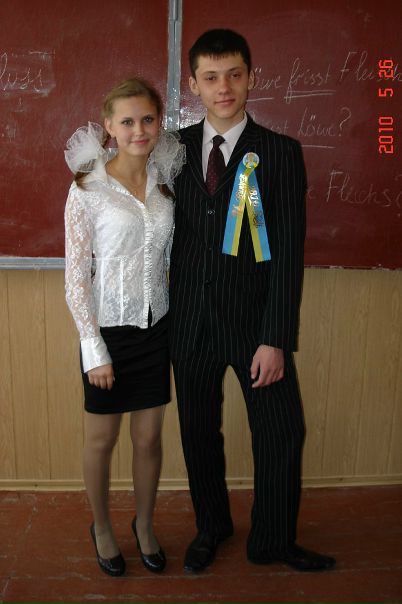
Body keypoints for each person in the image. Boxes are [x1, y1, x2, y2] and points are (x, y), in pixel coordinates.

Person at [169, 29, 336, 573]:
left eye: (235, 75)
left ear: (251, 78)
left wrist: (276, 337)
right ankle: (211, 527)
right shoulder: (169, 151)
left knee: (281, 431)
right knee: (198, 433)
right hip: (189, 323)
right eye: (211, 77)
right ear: (193, 83)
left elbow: (286, 252)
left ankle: (272, 540)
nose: (224, 87)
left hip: (255, 323)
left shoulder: (281, 153)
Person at [64, 77, 185, 577]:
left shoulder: (165, 186)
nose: (139, 130)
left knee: (149, 439)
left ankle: (145, 524)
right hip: (107, 332)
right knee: (101, 440)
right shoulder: (87, 190)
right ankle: (101, 527)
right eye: (128, 121)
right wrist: (93, 348)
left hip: (156, 327)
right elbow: (75, 277)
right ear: (109, 127)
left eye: (148, 119)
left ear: (159, 123)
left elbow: (170, 260)